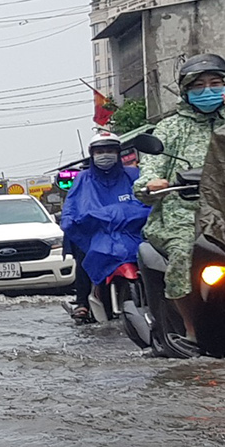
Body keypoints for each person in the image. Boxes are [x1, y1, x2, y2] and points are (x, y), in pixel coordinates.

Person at [136, 53, 225, 345]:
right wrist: (151, 183)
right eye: (199, 86)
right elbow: (148, 171)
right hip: (182, 214)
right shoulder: (170, 128)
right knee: (182, 253)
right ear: (186, 91)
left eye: (216, 83)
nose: (208, 90)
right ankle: (192, 331)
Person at [59, 129, 148, 322]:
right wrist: (74, 222)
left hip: (130, 232)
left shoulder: (134, 175)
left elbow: (147, 200)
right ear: (92, 155)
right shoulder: (83, 179)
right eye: (100, 152)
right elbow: (72, 208)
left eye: (109, 150)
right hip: (95, 234)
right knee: (84, 256)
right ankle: (82, 302)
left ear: (118, 152)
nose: (104, 155)